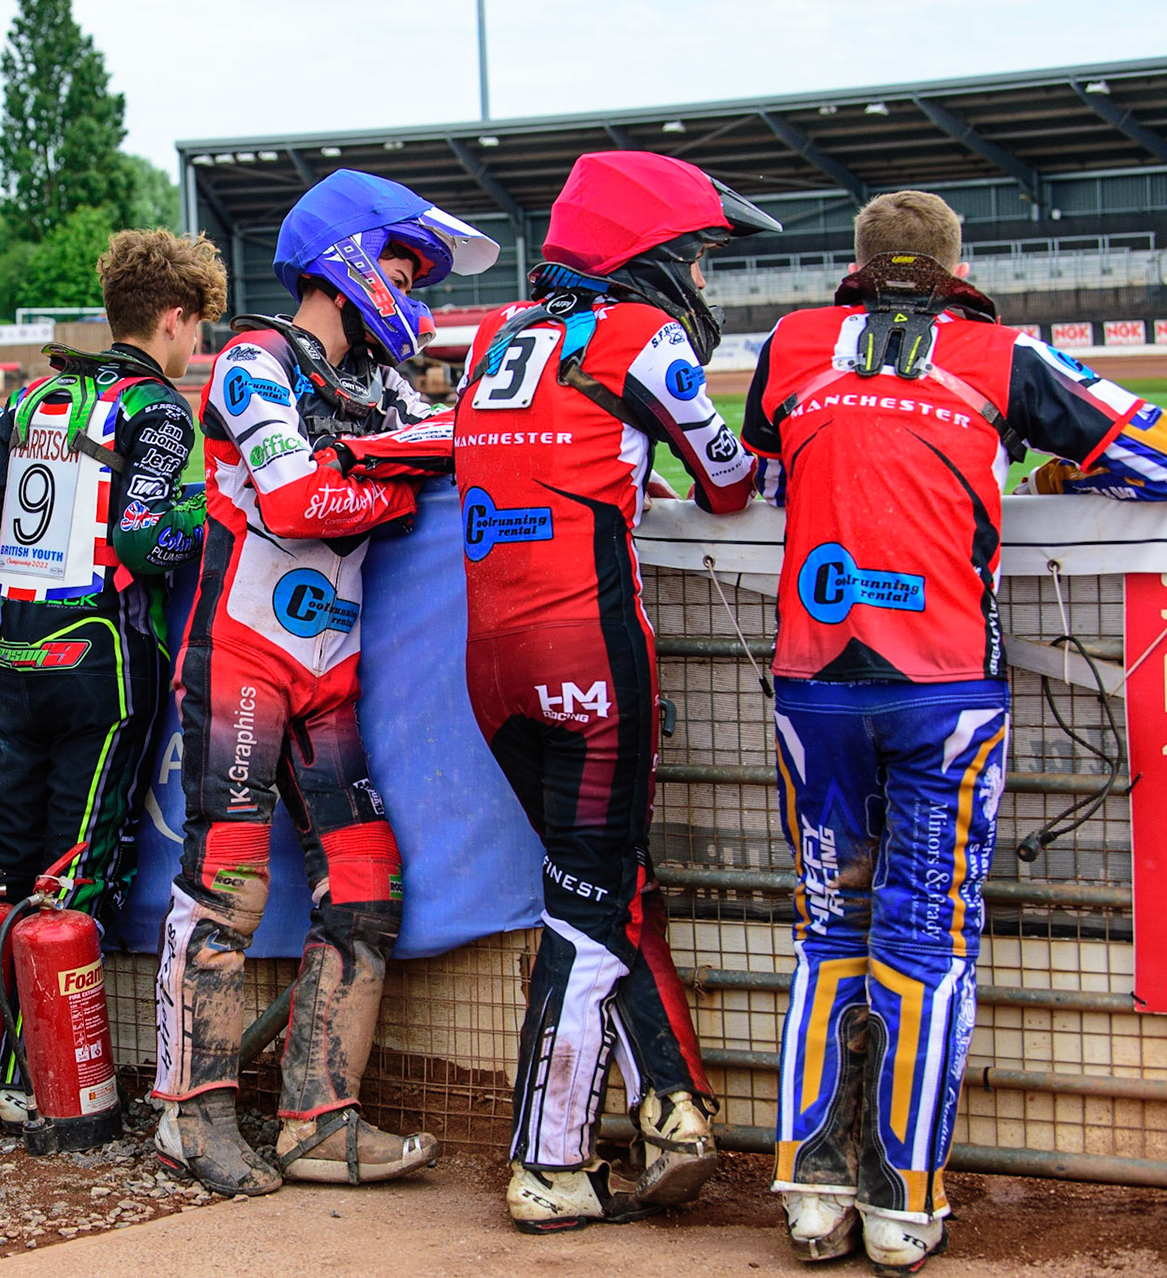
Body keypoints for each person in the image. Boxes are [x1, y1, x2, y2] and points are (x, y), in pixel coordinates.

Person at [340, 150, 777, 1230]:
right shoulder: (642, 338)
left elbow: (474, 449)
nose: (705, 286)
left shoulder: (493, 336)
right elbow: (730, 486)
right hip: (588, 649)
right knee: (586, 907)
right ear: (652, 255)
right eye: (699, 261)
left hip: (494, 667)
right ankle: (547, 1163)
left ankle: (670, 1103)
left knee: (597, 883)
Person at [741, 190, 1167, 1273]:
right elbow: (1155, 451)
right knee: (927, 940)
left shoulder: (791, 342)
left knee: (828, 930)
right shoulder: (1001, 352)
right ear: (953, 264)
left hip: (812, 684)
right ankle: (902, 1205)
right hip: (943, 693)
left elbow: (760, 461)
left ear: (859, 264)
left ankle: (809, 1194)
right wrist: (1074, 469)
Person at [150, 170, 497, 1196]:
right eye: (401, 267)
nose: (414, 293)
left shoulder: (377, 385)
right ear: (346, 264)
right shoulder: (251, 360)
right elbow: (302, 499)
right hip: (245, 659)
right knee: (227, 887)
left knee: (366, 880)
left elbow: (450, 445)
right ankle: (187, 1113)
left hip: (329, 676)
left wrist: (375, 459)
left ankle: (317, 1119)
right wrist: (388, 475)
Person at [0, 228, 227, 1119]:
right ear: (172, 319)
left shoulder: (36, 396)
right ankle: (23, 1082)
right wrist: (207, 514)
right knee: (72, 869)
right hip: (103, 662)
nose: (196, 346)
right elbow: (142, 537)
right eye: (196, 328)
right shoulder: (158, 409)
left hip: (17, 655)